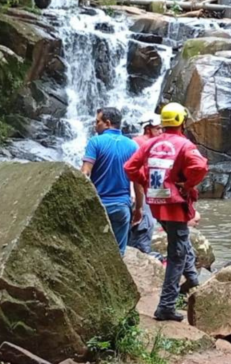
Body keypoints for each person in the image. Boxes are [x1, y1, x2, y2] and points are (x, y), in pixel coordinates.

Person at [124, 102, 209, 322]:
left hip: (156, 204)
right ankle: (166, 306)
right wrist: (187, 185)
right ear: (181, 121)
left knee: (179, 244)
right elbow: (200, 167)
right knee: (176, 254)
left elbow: (129, 167)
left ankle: (192, 280)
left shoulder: (150, 144)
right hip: (175, 206)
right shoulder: (184, 144)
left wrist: (146, 182)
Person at [81, 107, 139, 256]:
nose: (95, 126)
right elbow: (138, 180)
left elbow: (85, 173)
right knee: (118, 254)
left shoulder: (95, 142)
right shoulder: (132, 145)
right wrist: (139, 208)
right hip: (122, 206)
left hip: (98, 206)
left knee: (93, 251)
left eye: (97, 122)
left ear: (107, 123)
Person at [128, 113, 163, 253]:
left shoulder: (156, 143)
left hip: (151, 191)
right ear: (148, 128)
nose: (161, 131)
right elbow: (132, 170)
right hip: (140, 192)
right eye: (157, 128)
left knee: (146, 224)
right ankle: (141, 256)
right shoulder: (137, 143)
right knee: (143, 225)